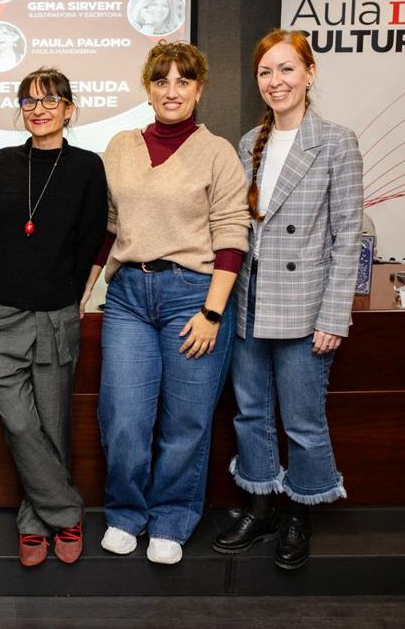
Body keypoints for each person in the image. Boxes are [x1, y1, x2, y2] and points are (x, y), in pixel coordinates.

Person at [86, 41, 249, 565]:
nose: (172, 91)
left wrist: (212, 312)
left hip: (193, 298)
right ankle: (125, 514)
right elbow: (109, 229)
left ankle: (172, 519)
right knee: (124, 417)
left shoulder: (218, 151)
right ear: (147, 89)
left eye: (183, 81)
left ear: (200, 89)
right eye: (162, 81)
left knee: (187, 420)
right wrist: (85, 294)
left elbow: (230, 234)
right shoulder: (120, 146)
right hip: (130, 295)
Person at [212, 29, 363, 570]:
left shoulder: (337, 141)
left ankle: (300, 512)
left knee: (302, 420)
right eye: (265, 72)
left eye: (286, 70)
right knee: (251, 414)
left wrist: (334, 316)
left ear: (310, 73)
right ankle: (260, 505)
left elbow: (348, 236)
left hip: (306, 310)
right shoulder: (246, 141)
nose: (275, 82)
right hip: (249, 305)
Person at [0, 67, 107, 567]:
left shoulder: (88, 166)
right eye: (29, 100)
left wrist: (75, 295)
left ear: (69, 108)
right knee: (22, 426)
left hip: (54, 316)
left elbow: (90, 239)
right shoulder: (1, 162)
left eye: (50, 100)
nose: (38, 108)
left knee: (53, 424)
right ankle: (66, 511)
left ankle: (33, 519)